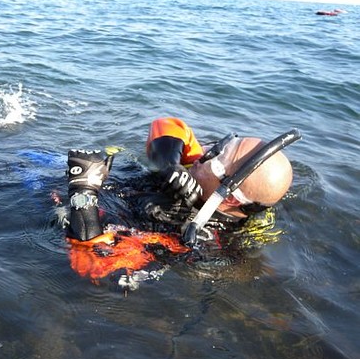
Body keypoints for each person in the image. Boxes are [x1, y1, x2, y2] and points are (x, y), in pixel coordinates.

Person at [65, 117, 295, 283]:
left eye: (216, 157)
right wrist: (168, 164)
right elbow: (169, 124)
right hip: (89, 173)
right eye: (220, 146)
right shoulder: (200, 173)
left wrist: (83, 191)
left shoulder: (194, 237)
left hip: (70, 193)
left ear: (232, 199)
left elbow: (93, 266)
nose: (205, 152)